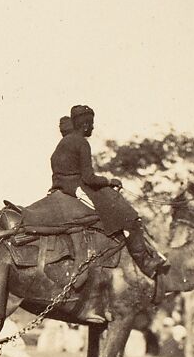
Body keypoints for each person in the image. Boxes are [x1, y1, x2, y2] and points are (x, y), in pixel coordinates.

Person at [50, 104, 168, 278]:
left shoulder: (64, 142)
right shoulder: (81, 142)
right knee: (129, 216)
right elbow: (89, 178)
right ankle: (146, 263)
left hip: (63, 186)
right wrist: (109, 181)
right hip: (76, 188)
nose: (92, 127)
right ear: (85, 125)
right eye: (91, 124)